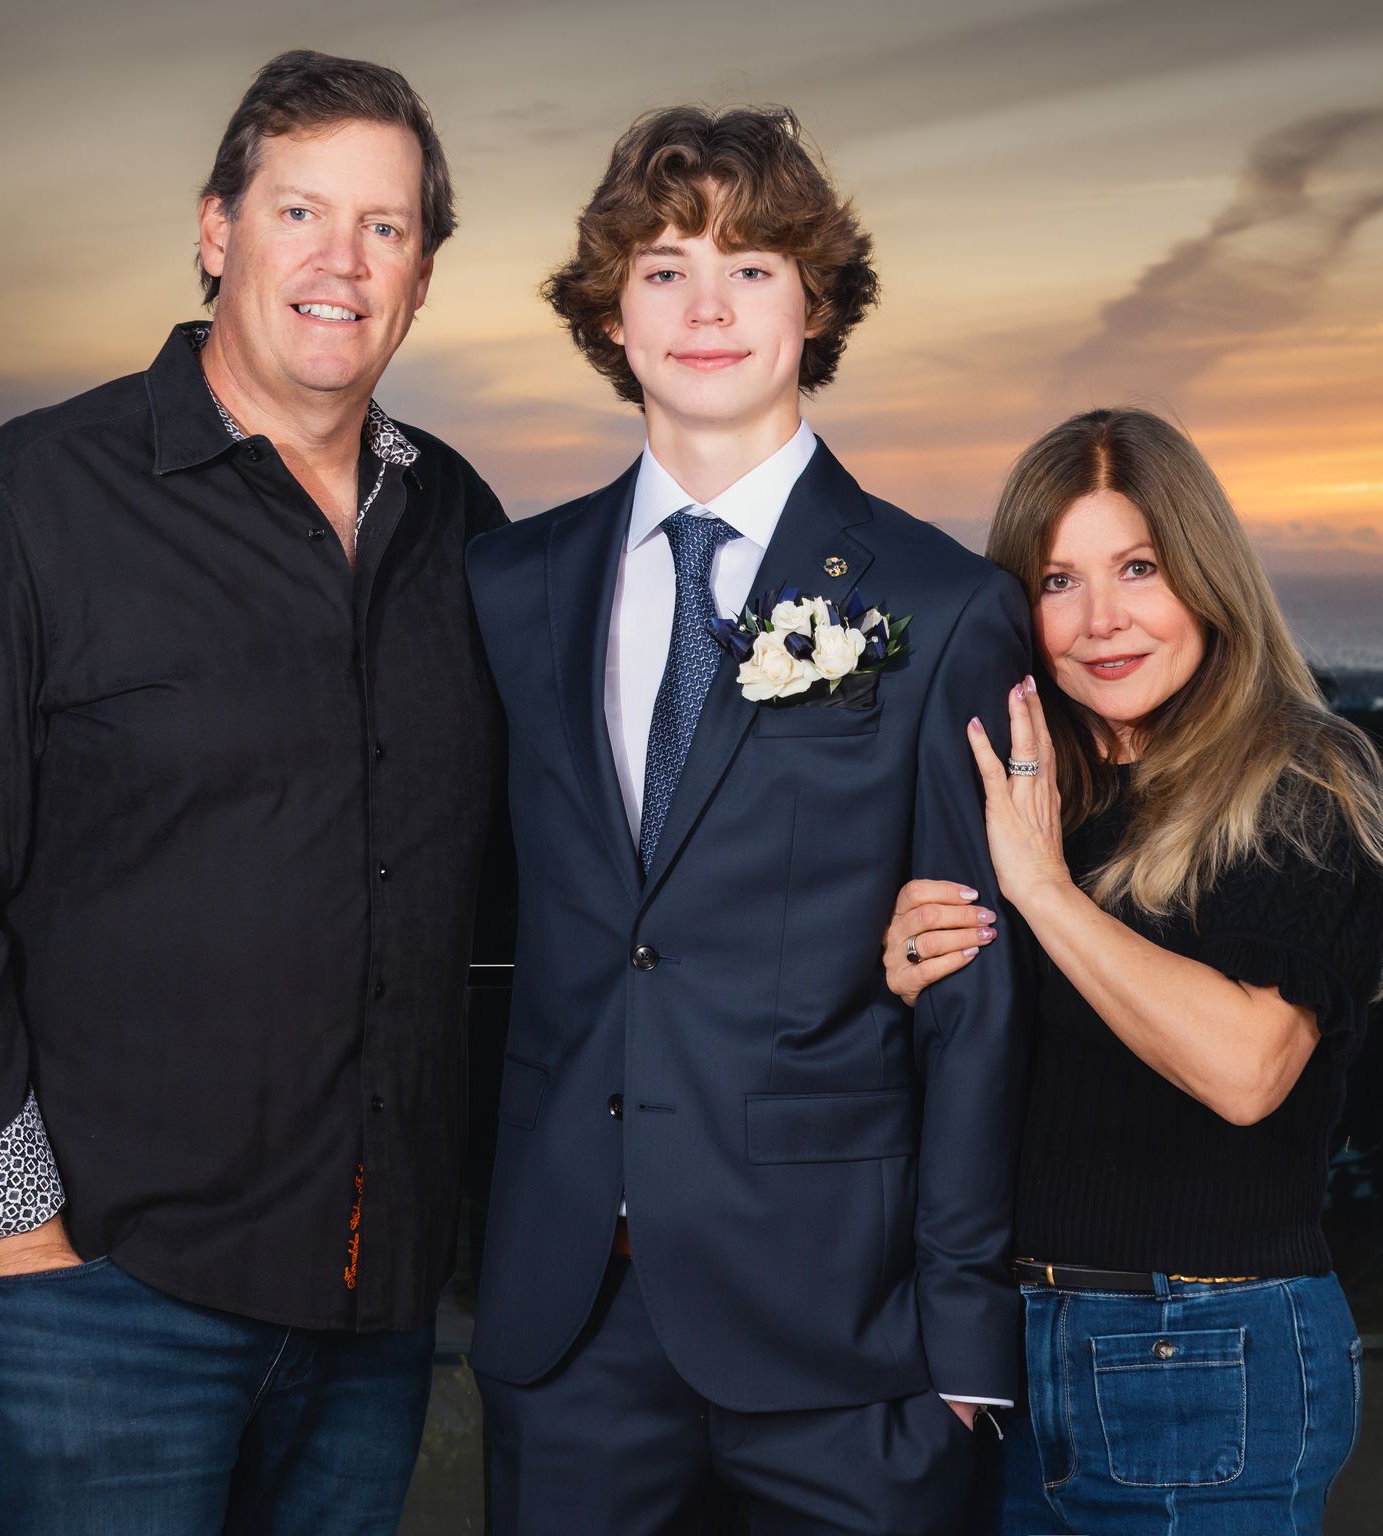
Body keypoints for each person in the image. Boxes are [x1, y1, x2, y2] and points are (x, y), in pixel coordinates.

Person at [0, 50, 509, 1535]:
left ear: (422, 271)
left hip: (378, 1304)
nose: (342, 261)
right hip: (107, 1302)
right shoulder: (29, 502)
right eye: (301, 211)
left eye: (388, 227)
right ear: (217, 229)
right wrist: (18, 1240)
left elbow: (543, 855)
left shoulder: (457, 519)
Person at [464, 105, 1032, 1534]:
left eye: (755, 265)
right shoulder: (509, 589)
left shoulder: (938, 602)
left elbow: (974, 993)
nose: (706, 305)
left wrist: (962, 1336)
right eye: (663, 267)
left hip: (850, 1341)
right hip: (570, 1326)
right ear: (609, 312)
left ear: (816, 302)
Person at [883, 407, 1383, 1534]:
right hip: (1002, 1355)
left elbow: (1242, 1068)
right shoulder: (1036, 797)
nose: (1101, 621)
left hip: (1205, 1352)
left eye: (1138, 569)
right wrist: (900, 974)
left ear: (1204, 576)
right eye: (1057, 582)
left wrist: (1041, 892)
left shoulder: (1304, 778)